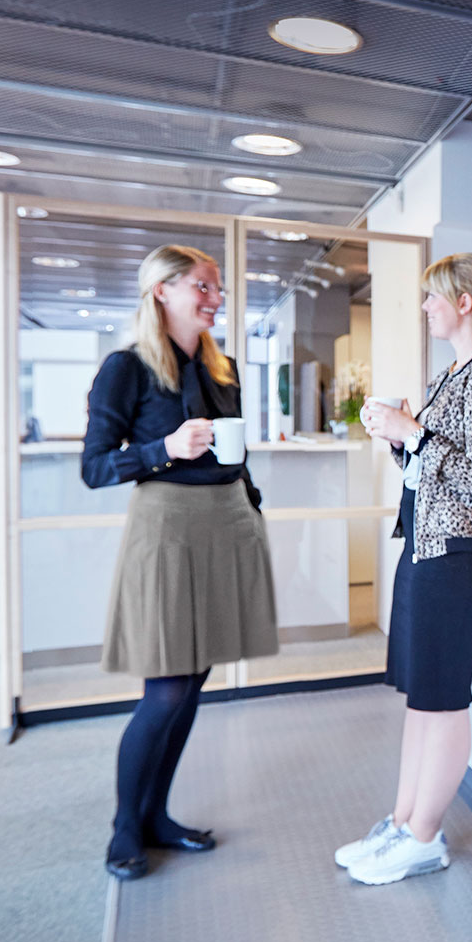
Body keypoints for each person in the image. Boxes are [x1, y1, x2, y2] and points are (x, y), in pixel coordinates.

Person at [81, 245, 278, 881]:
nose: (215, 297)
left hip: (226, 524)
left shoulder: (223, 370)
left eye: (217, 288)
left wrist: (251, 509)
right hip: (165, 529)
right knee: (166, 688)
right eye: (203, 285)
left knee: (193, 685)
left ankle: (158, 817)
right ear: (161, 290)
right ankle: (123, 830)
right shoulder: (128, 368)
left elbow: (237, 454)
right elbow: (94, 467)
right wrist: (163, 447)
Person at [341, 253, 472, 886]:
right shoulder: (454, 375)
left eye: (432, 297)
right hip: (427, 546)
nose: (424, 308)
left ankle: (424, 838)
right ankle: (402, 823)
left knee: (444, 701)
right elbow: (435, 470)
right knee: (422, 700)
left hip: (458, 554)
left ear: (464, 303)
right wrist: (403, 442)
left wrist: (412, 431)